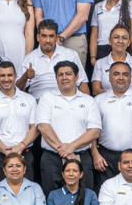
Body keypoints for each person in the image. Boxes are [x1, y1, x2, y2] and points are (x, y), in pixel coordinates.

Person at [36, 62, 102, 191]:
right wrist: (63, 150)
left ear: (77, 77)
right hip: (52, 158)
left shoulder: (88, 101)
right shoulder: (47, 97)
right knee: (51, 201)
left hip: (81, 157)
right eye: (60, 75)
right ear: (56, 78)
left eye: (68, 74)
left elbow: (94, 132)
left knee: (83, 200)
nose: (64, 77)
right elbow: (43, 127)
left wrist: (72, 147)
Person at [0, 61, 39, 183]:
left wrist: (20, 147)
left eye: (9, 75)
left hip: (25, 153)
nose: (6, 79)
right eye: (2, 75)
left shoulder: (29, 100)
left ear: (15, 76)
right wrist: (7, 152)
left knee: (27, 194)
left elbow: (35, 129)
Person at [18, 20, 88, 99]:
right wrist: (25, 77)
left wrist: (86, 105)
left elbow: (82, 83)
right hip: (39, 103)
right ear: (38, 37)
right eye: (44, 36)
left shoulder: (70, 55)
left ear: (57, 37)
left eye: (51, 36)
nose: (48, 40)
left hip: (66, 102)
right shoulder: (29, 58)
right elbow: (17, 91)